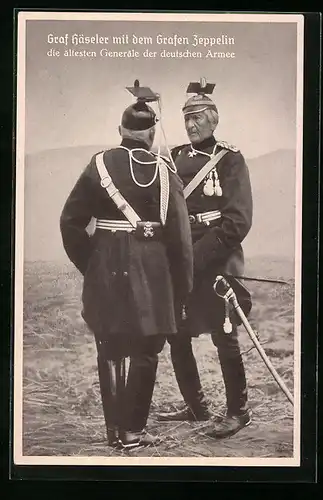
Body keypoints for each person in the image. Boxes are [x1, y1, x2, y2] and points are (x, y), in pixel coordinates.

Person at [60, 82, 193, 449]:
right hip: (153, 274)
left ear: (120, 132)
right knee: (147, 349)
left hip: (107, 268)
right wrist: (180, 291)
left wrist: (93, 265)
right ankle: (133, 432)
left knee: (109, 347)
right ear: (151, 135)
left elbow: (70, 222)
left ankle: (113, 434)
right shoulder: (168, 174)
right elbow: (181, 242)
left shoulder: (99, 163)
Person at [156, 78, 253, 439]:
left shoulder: (230, 159)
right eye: (186, 118)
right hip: (181, 261)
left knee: (224, 335)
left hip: (216, 261)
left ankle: (238, 412)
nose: (191, 125)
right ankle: (196, 408)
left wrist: (194, 258)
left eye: (197, 117)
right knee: (177, 334)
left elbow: (237, 222)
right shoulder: (175, 157)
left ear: (214, 120)